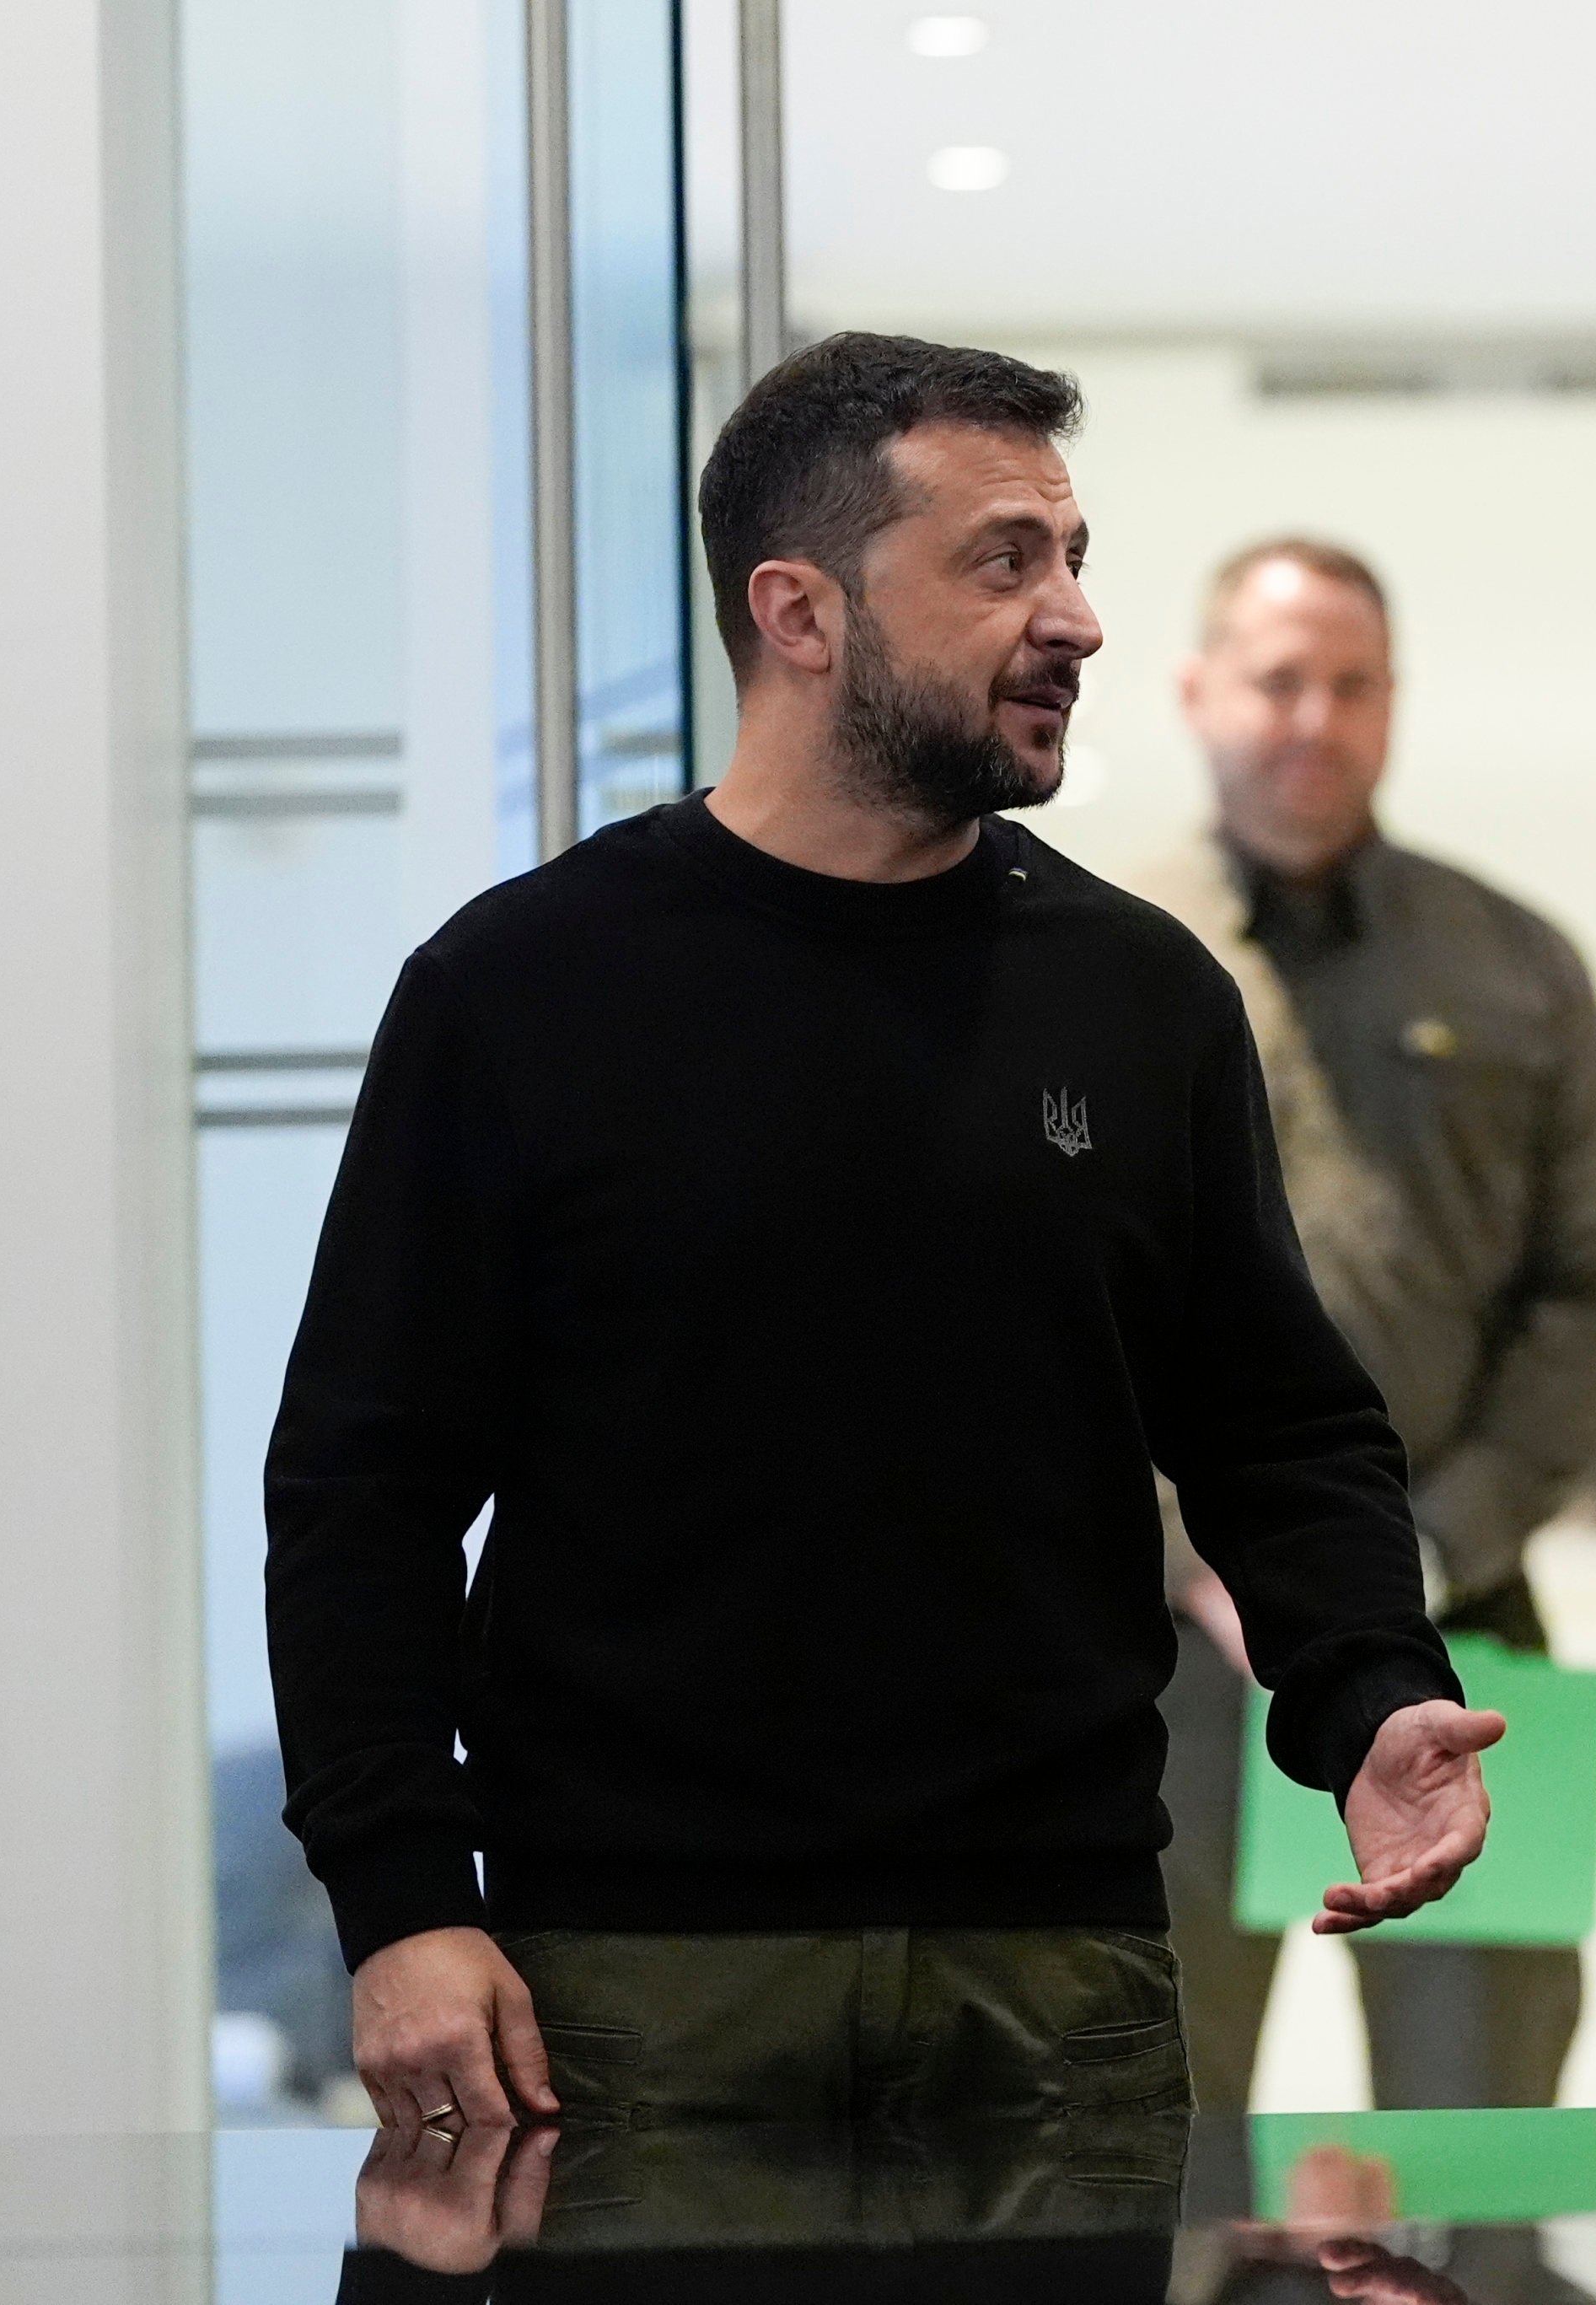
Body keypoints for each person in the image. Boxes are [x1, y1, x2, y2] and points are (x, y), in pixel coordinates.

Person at [266, 333, 1504, 2133]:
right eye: (1005, 560)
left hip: (1056, 1973)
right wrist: (400, 1906)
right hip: (625, 1984)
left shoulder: (1139, 997)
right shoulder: (522, 991)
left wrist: (1369, 1691)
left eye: (1074, 555)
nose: (1073, 616)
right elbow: (362, 1489)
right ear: (800, 609)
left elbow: (1275, 1425)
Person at [1128, 539, 1596, 2124]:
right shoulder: (1094, 960)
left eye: (1351, 683)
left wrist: (1423, 1551)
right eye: (1278, 677)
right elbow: (1011, 1310)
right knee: (1148, 2123)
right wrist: (1191, 1557)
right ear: (1199, 690)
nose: (1314, 716)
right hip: (1148, 1656)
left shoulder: (1515, 963)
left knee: (1476, 2123)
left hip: (1461, 1636)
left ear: (1394, 705)